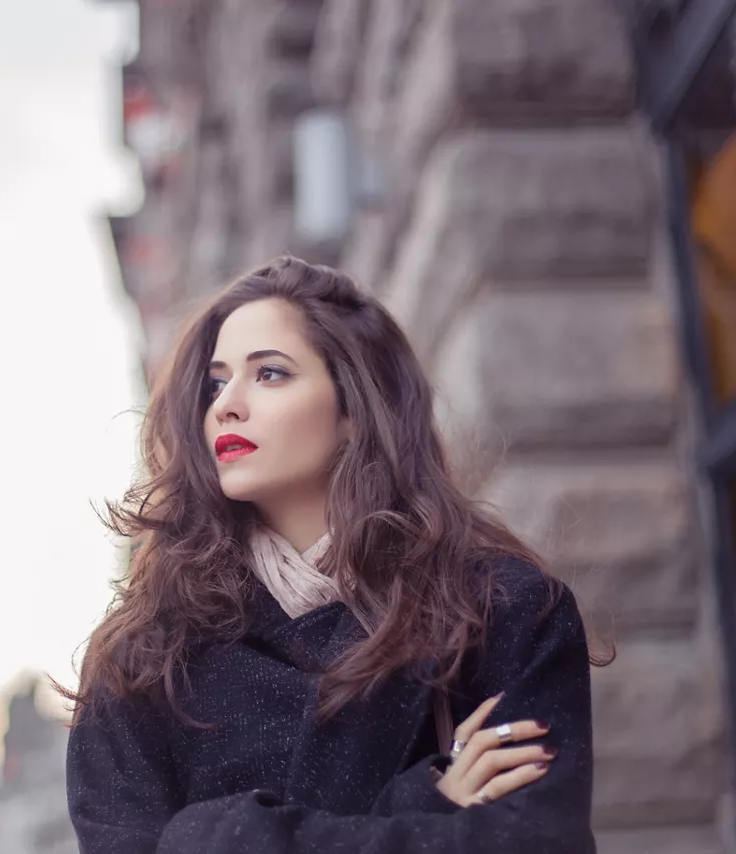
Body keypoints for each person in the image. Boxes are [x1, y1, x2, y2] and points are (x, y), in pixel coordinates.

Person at [62, 257, 598, 853]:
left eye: (269, 374)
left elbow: (537, 844)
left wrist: (213, 836)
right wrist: (421, 803)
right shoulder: (144, 660)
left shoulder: (501, 611)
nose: (226, 406)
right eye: (216, 382)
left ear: (353, 409)